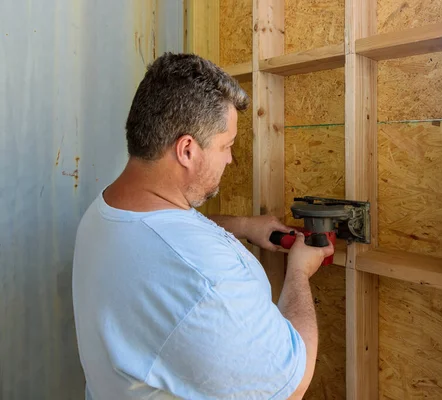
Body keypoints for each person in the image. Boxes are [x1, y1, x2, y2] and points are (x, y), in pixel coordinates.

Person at [72, 52, 334, 400]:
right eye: (226, 146)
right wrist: (299, 272)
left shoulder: (108, 210)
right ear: (187, 150)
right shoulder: (205, 283)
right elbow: (292, 384)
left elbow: (163, 232)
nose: (229, 158)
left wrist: (241, 225)